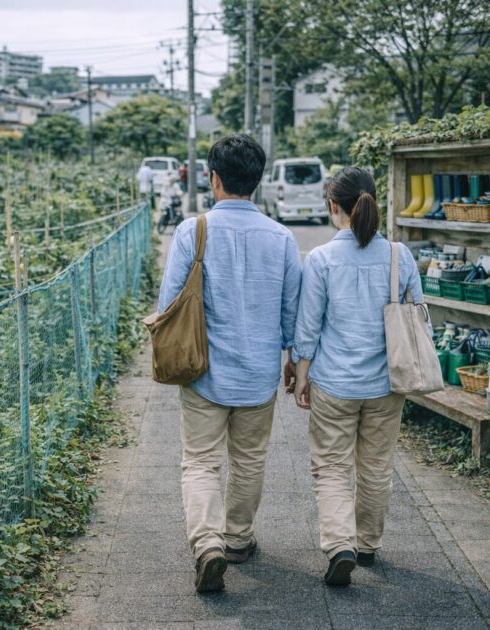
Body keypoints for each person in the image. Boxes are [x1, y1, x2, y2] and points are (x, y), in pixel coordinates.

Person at [158, 134, 302, 593]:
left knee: (200, 462)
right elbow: (292, 312)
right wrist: (294, 360)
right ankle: (238, 540)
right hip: (259, 374)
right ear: (257, 182)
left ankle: (207, 545)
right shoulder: (281, 237)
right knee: (249, 460)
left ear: (213, 178)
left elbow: (168, 304)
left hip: (203, 371)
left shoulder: (191, 230)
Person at [290, 167, 424, 587]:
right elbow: (421, 322)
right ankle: (367, 543)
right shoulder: (401, 257)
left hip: (335, 384)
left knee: (331, 468)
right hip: (387, 384)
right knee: (376, 466)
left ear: (334, 207)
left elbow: (308, 328)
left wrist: (301, 375)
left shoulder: (322, 259)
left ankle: (339, 544)